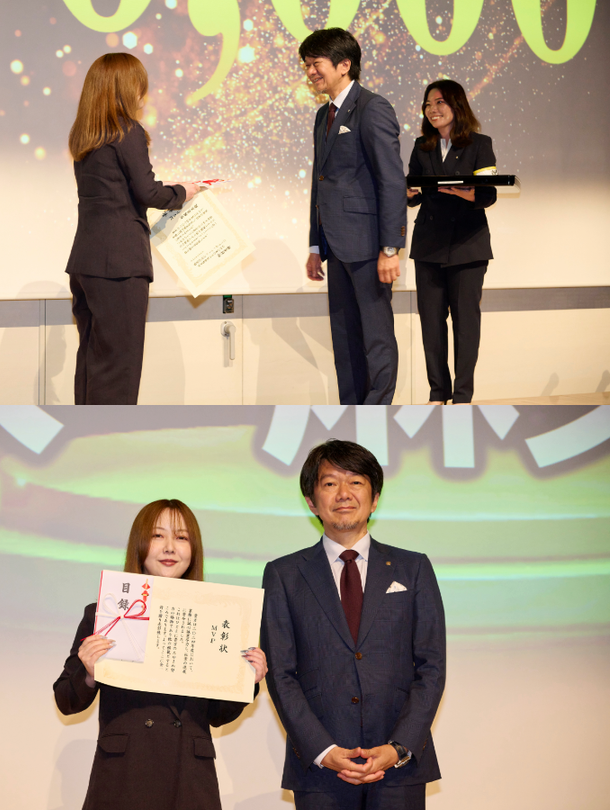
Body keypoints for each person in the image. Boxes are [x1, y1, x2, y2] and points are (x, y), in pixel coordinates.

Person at [261, 440, 446, 809]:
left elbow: (432, 666)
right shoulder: (284, 574)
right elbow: (280, 673)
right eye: (330, 483)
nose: (343, 493)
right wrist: (323, 750)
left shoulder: (413, 568)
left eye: (356, 482)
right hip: (320, 773)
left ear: (374, 498)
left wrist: (398, 748)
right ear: (311, 501)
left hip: (399, 769)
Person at [53, 500, 267, 809]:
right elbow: (66, 700)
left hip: (190, 779)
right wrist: (88, 673)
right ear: (139, 543)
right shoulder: (105, 613)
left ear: (193, 549)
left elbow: (218, 715)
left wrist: (247, 680)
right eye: (157, 536)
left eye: (181, 537)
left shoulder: (217, 615)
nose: (170, 547)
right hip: (124, 775)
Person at [64, 53, 197, 405]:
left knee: (93, 361)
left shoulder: (85, 136)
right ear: (125, 88)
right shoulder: (127, 131)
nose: (143, 94)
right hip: (120, 266)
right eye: (140, 85)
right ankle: (111, 434)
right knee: (118, 368)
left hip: (85, 263)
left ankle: (87, 432)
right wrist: (184, 191)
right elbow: (147, 192)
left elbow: (120, 190)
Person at [300, 28, 406, 405]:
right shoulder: (323, 115)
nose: (310, 71)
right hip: (335, 244)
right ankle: (352, 412)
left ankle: (378, 411)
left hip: (367, 245)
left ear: (344, 65)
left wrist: (390, 248)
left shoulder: (372, 107)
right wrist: (316, 245)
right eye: (306, 65)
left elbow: (391, 180)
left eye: (316, 63)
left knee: (376, 337)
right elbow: (321, 182)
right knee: (345, 338)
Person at [406, 79, 497, 404]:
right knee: (431, 323)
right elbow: (413, 195)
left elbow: (488, 194)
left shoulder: (479, 144)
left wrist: (460, 190)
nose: (432, 109)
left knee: (465, 324)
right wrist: (408, 193)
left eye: (440, 102)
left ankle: (462, 396)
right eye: (428, 104)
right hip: (428, 245)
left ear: (457, 105)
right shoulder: (421, 146)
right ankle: (437, 392)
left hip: (467, 245)